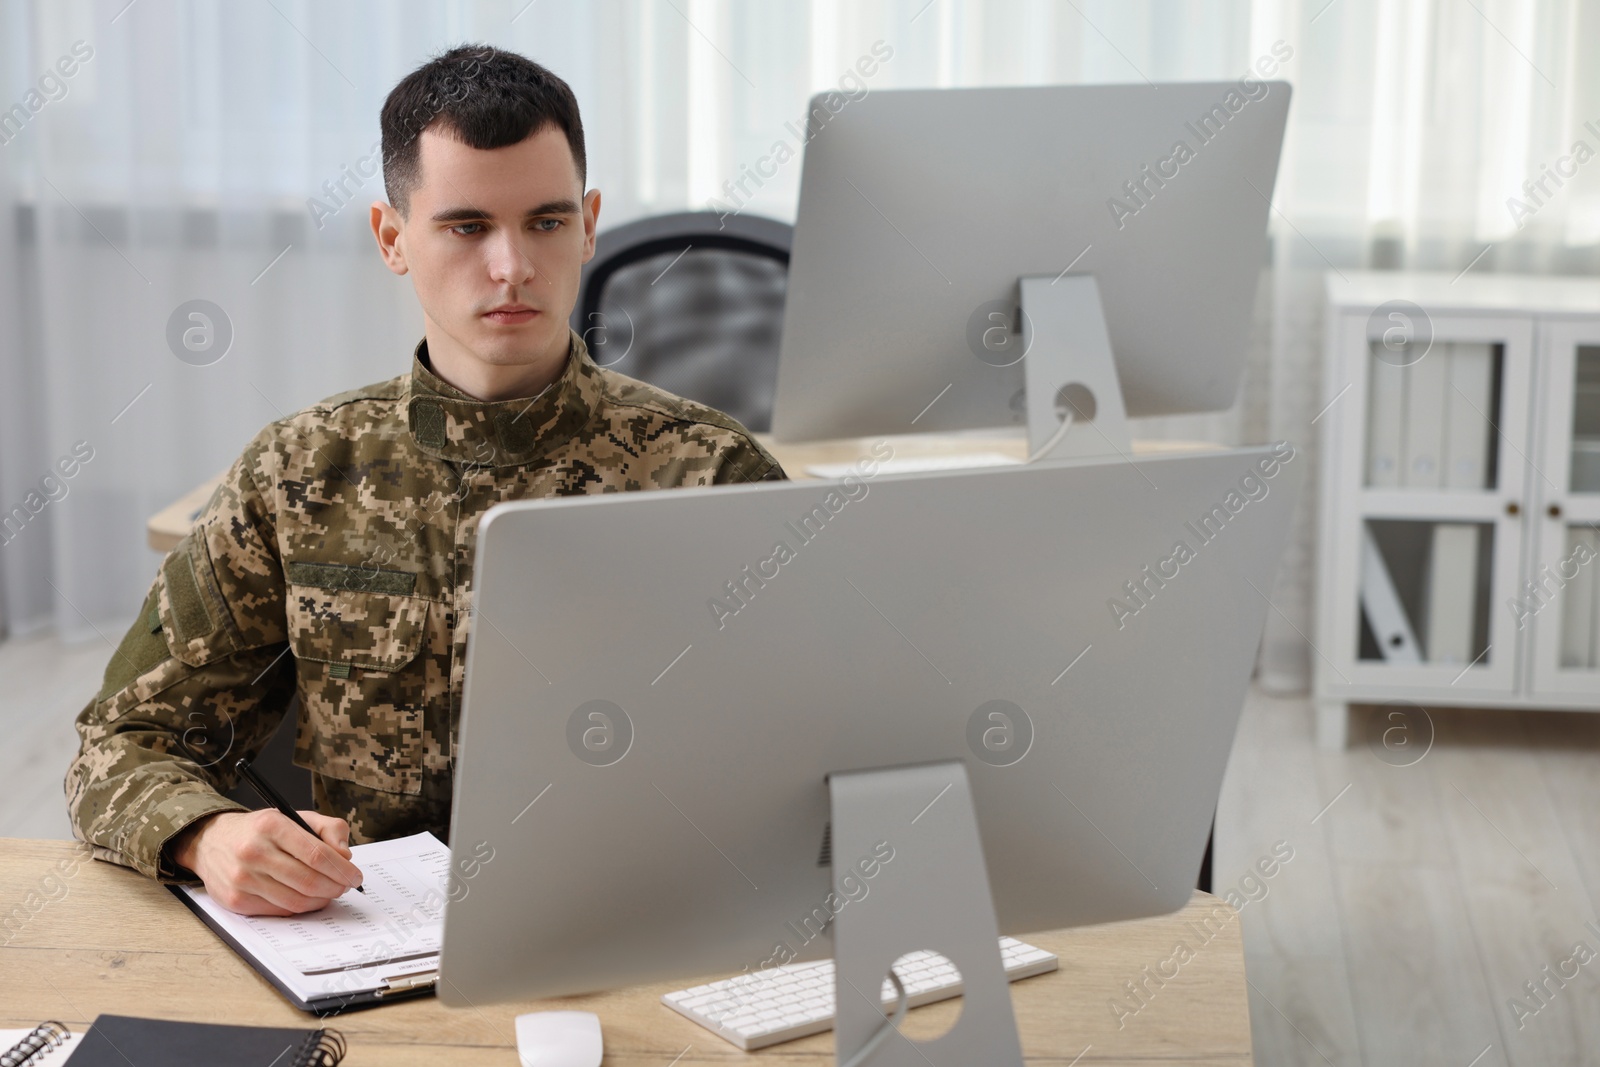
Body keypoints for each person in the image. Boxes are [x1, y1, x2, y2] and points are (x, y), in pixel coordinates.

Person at [65, 45, 783, 918]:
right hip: (370, 939)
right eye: (468, 226)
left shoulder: (712, 476)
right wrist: (205, 833)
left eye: (547, 222)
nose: (512, 266)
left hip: (635, 924)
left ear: (590, 225)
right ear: (392, 237)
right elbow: (122, 741)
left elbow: (823, 744)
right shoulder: (297, 475)